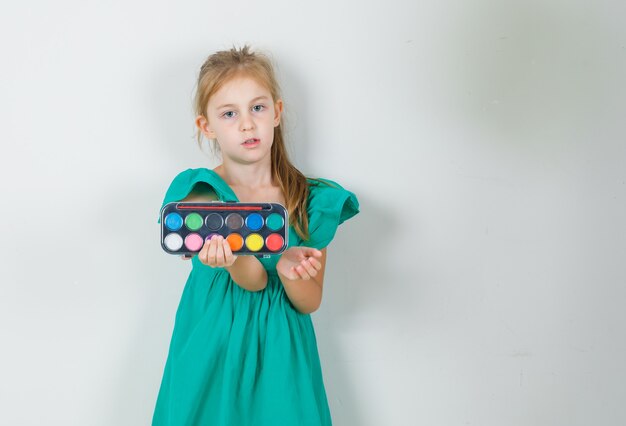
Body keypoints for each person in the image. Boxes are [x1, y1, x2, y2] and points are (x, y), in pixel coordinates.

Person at [152, 45, 359, 426]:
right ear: (207, 126)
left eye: (257, 108)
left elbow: (310, 301)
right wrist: (238, 260)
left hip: (281, 354)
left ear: (277, 113)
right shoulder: (200, 194)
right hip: (212, 348)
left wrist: (289, 270)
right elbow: (250, 280)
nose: (247, 124)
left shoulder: (309, 200)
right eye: (229, 113)